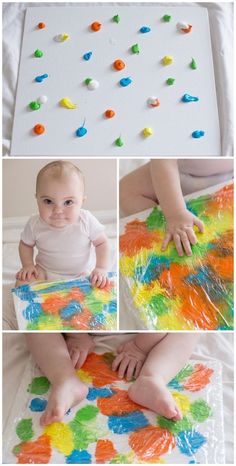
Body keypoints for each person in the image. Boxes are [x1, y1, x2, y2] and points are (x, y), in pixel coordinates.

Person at [26, 332, 199, 426]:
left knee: (188, 328)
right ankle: (64, 379)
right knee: (35, 325)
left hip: (146, 333)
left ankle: (153, 377)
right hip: (83, 323)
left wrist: (140, 347)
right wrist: (76, 335)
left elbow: (166, 311)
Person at [15, 160, 109, 288]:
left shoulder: (86, 220)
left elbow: (102, 243)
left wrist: (101, 268)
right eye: (48, 201)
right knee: (22, 284)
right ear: (37, 199)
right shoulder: (34, 224)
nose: (58, 210)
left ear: (82, 201)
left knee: (99, 288)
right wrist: (28, 265)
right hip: (44, 271)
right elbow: (25, 244)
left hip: (80, 274)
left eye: (68, 202)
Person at [120, 159, 233, 256]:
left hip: (222, 178)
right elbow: (163, 160)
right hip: (175, 178)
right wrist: (176, 213)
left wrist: (176, 214)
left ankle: (175, 228)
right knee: (124, 191)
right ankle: (166, 230)